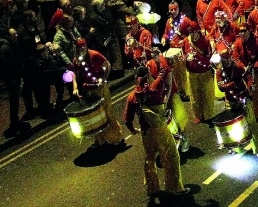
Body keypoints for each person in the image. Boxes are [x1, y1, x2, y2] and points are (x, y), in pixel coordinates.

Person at [123, 66, 187, 197]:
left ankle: (152, 188)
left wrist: (133, 130)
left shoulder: (132, 97)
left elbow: (127, 119)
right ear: (148, 76)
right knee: (171, 158)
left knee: (150, 159)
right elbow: (167, 70)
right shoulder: (155, 88)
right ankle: (174, 188)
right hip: (160, 130)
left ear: (136, 78)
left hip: (146, 133)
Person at [71, 38, 126, 146]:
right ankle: (100, 140)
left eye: (83, 46)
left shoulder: (95, 55)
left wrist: (104, 79)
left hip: (100, 88)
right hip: (89, 90)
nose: (82, 49)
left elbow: (107, 65)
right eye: (79, 47)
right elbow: (75, 75)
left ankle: (116, 137)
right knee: (94, 116)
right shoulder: (76, 60)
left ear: (86, 46)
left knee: (107, 113)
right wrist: (75, 88)